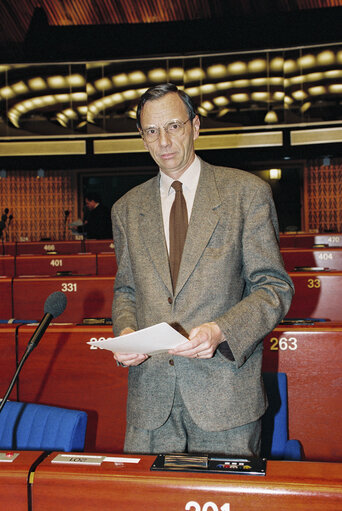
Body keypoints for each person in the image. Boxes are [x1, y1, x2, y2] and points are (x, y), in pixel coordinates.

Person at [111, 83, 294, 456]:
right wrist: (125, 331)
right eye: (151, 131)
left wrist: (221, 330)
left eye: (174, 126)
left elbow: (273, 287)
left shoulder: (246, 193)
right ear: (142, 137)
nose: (163, 140)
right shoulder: (126, 209)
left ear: (195, 126)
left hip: (225, 398)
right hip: (151, 401)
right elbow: (126, 291)